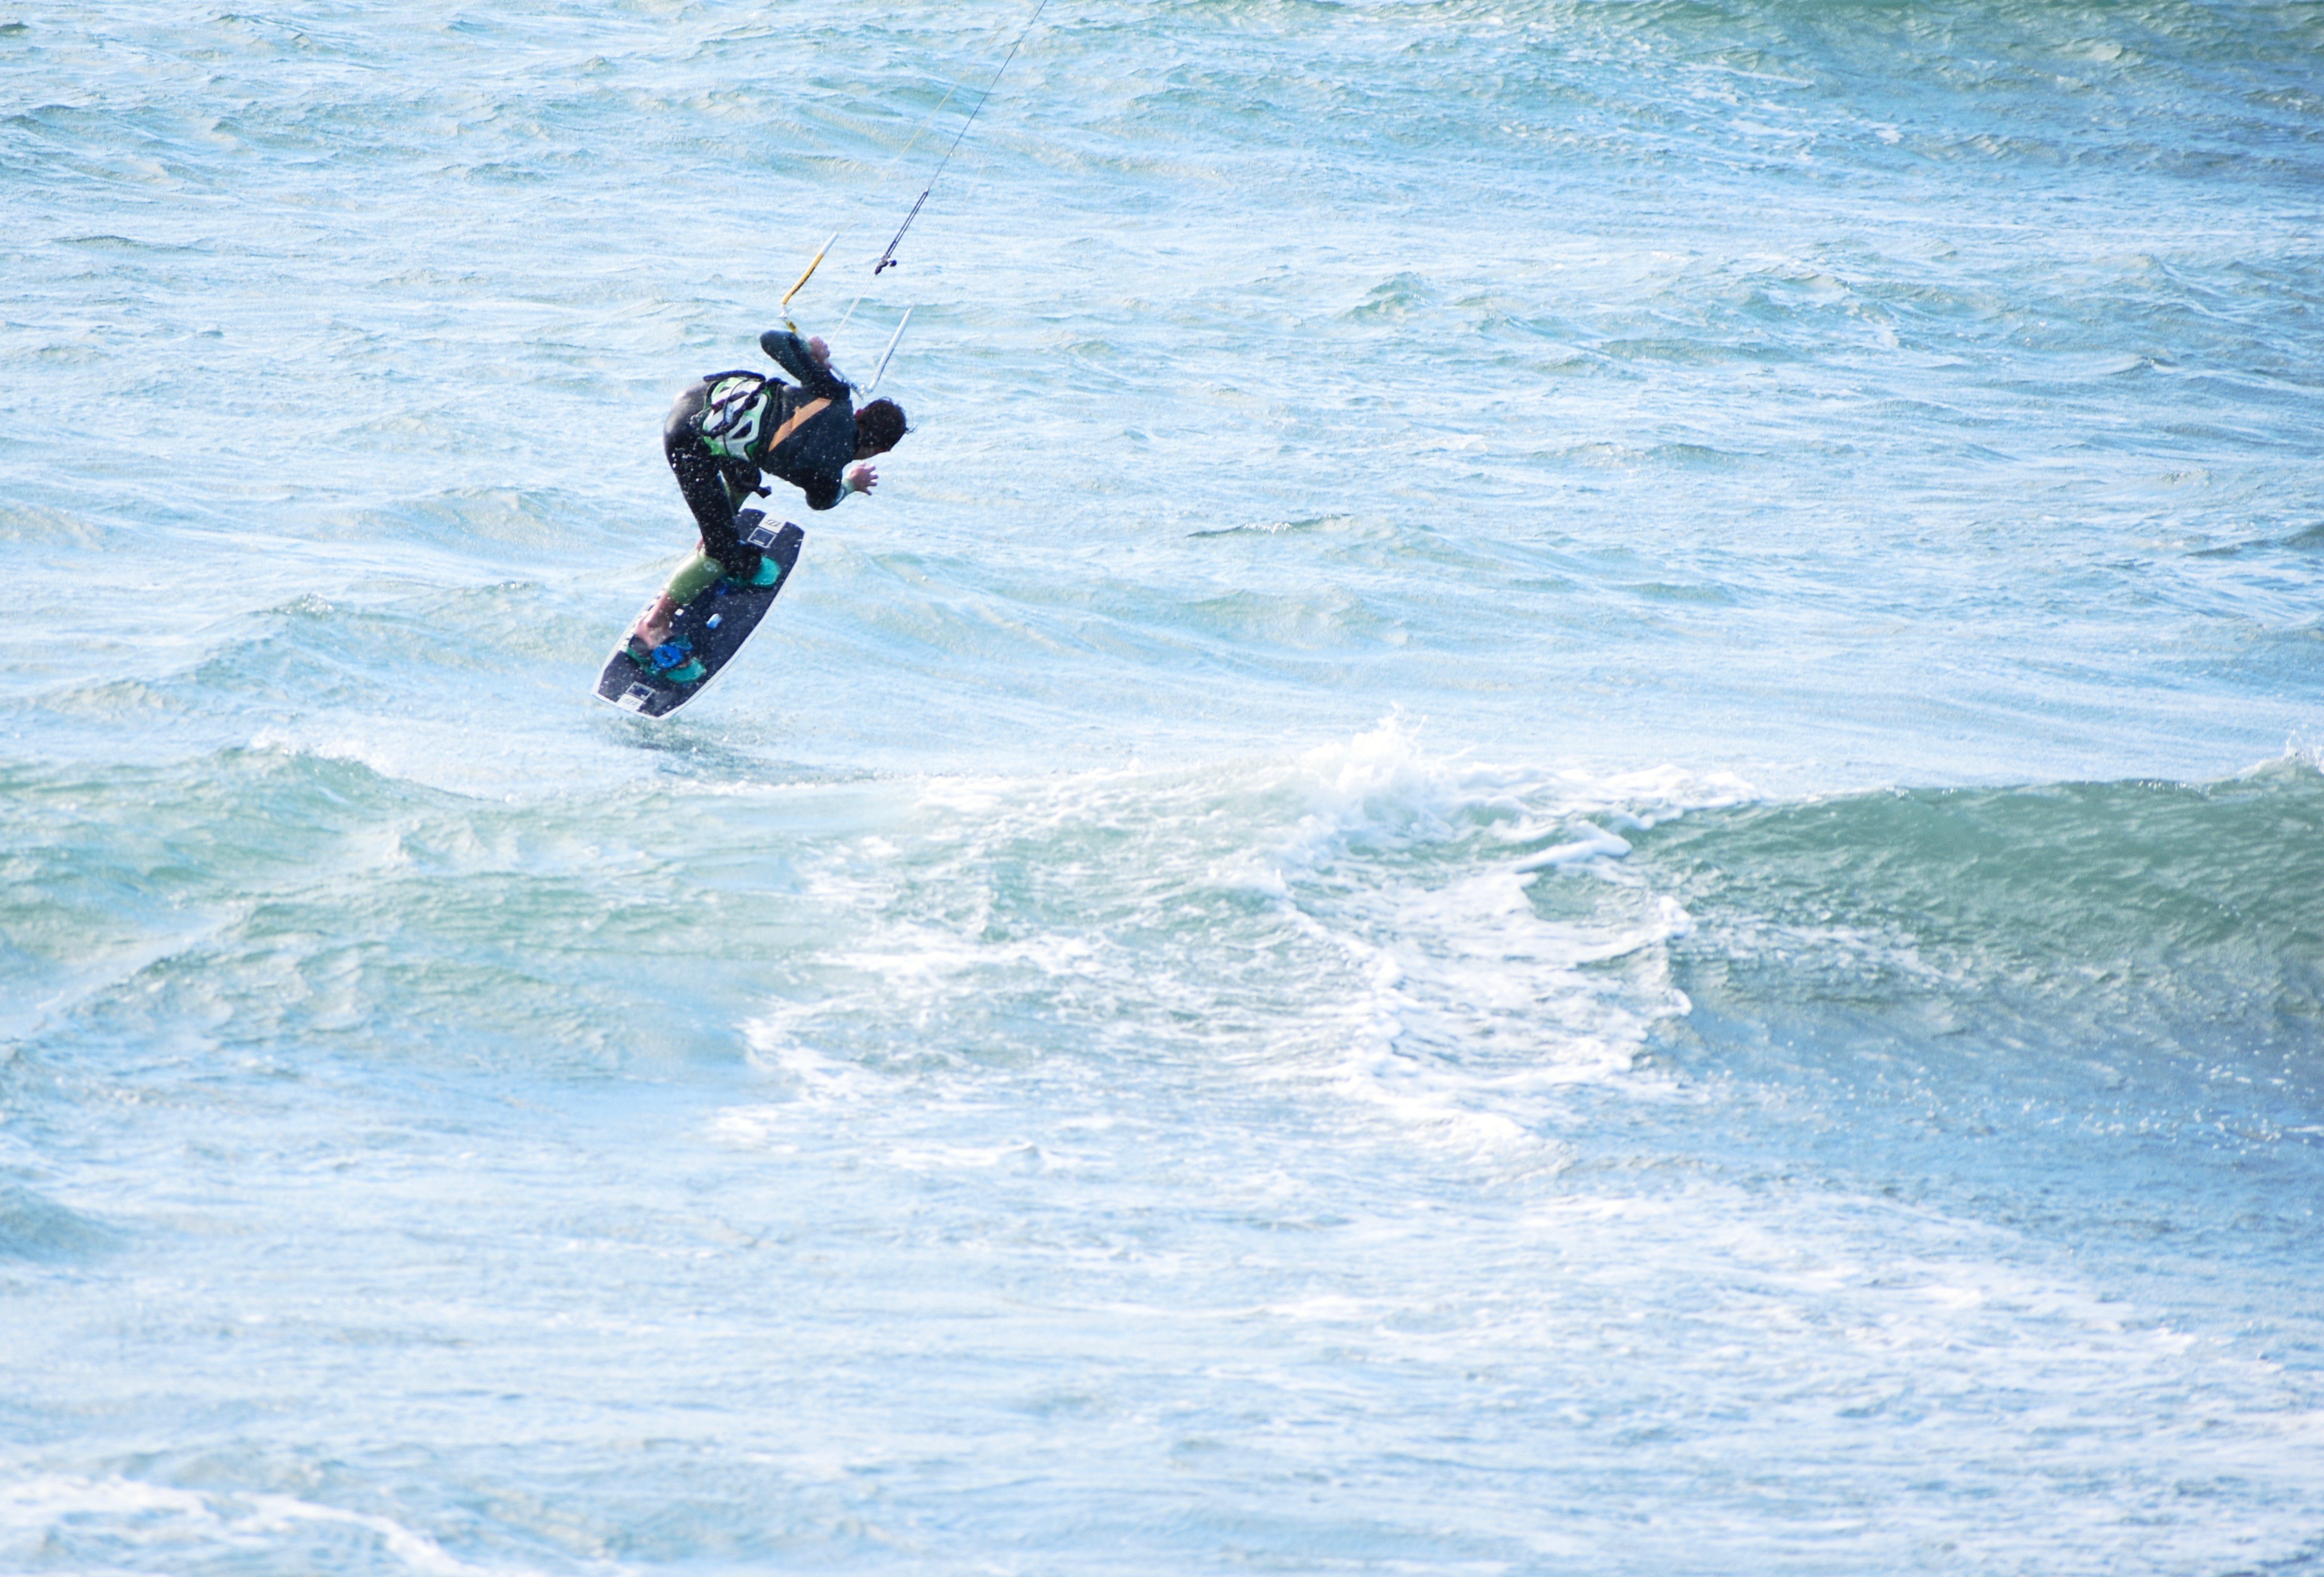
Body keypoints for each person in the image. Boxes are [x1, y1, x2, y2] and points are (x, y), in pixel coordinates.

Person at [629, 327, 909, 683]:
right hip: (688, 441)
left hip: (706, 394)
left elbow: (771, 340)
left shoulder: (835, 394)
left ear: (861, 413)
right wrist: (853, 484)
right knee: (723, 553)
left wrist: (810, 352)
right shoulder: (827, 472)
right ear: (880, 450)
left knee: (748, 468)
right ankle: (654, 624)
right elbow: (823, 503)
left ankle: (718, 529)